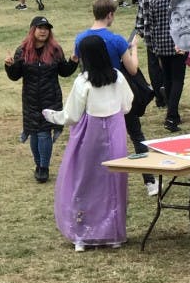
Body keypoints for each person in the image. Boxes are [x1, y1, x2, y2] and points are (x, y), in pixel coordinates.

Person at [44, 34, 133, 251]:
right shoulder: (117, 77)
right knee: (113, 181)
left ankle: (82, 235)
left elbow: (71, 115)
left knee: (84, 180)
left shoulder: (83, 81)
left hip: (91, 133)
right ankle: (113, 233)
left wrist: (51, 116)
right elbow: (127, 105)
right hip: (115, 131)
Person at [75, 0, 157, 196]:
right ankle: (150, 181)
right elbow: (132, 69)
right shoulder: (117, 40)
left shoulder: (80, 39)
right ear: (110, 15)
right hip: (117, 94)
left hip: (93, 97)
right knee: (136, 134)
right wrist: (134, 49)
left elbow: (80, 64)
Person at [5, 16, 79, 182]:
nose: (43, 31)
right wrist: (9, 66)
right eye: (40, 27)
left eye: (46, 28)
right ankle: (37, 164)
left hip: (50, 98)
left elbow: (64, 72)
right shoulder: (22, 50)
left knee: (44, 133)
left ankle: (44, 167)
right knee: (34, 133)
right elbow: (15, 76)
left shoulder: (55, 50)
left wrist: (73, 62)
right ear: (33, 30)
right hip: (30, 99)